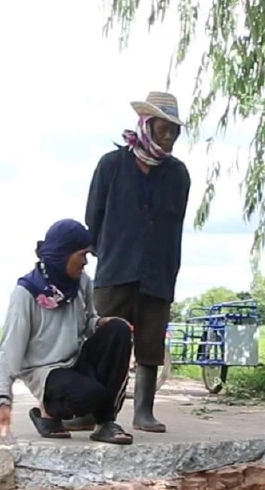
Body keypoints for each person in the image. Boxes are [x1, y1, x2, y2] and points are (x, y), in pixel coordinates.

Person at [84, 90, 191, 434]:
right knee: (102, 339)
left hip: (158, 272)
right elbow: (93, 217)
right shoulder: (111, 165)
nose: (170, 136)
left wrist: (165, 264)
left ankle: (143, 412)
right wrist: (110, 252)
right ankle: (93, 409)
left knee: (150, 343)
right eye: (164, 128)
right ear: (147, 123)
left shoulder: (178, 174)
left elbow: (175, 223)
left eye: (175, 131)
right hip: (115, 268)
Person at [0, 219, 136, 446]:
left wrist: (100, 323)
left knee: (118, 330)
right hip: (45, 372)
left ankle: (105, 423)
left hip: (75, 360)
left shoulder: (81, 282)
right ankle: (47, 412)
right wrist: (2, 401)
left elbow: (87, 322)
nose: (85, 261)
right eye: (81, 254)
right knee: (89, 395)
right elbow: (9, 351)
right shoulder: (25, 294)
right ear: (63, 253)